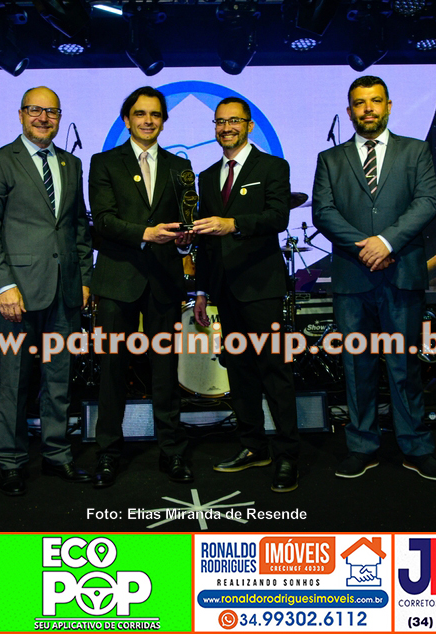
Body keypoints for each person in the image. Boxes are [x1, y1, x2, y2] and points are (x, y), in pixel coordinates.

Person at [312, 75, 436, 481]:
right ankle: (362, 447)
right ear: (349, 110)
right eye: (359, 103)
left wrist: (386, 242)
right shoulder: (330, 159)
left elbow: (427, 202)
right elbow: (323, 212)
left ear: (389, 105)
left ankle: (417, 447)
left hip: (401, 274)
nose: (367, 108)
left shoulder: (416, 150)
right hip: (352, 279)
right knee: (357, 367)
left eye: (375, 101)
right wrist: (366, 247)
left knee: (404, 365)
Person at [0, 86, 93, 495]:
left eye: (52, 112)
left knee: (59, 378)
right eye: (35, 110)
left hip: (65, 290)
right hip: (17, 293)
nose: (44, 118)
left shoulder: (72, 163)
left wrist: (85, 279)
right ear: (21, 114)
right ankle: (11, 461)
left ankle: (58, 455)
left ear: (59, 117)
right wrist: (4, 284)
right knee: (15, 380)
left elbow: (78, 226)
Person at [193, 97, 300, 493]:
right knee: (239, 373)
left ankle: (288, 455)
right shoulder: (207, 176)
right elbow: (207, 242)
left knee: (274, 372)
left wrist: (233, 223)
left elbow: (277, 217)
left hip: (261, 288)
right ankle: (254, 447)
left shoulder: (273, 167)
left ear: (250, 125)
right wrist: (202, 291)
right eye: (220, 122)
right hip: (224, 290)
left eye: (234, 121)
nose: (226, 128)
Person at [88, 86, 193, 488]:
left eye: (155, 114)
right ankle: (108, 453)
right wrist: (147, 233)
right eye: (140, 113)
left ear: (164, 120)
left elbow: (187, 219)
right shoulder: (104, 162)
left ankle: (173, 452)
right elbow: (104, 220)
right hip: (118, 279)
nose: (148, 120)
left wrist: (185, 239)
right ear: (126, 119)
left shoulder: (180, 166)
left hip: (164, 280)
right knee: (112, 370)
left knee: (166, 371)